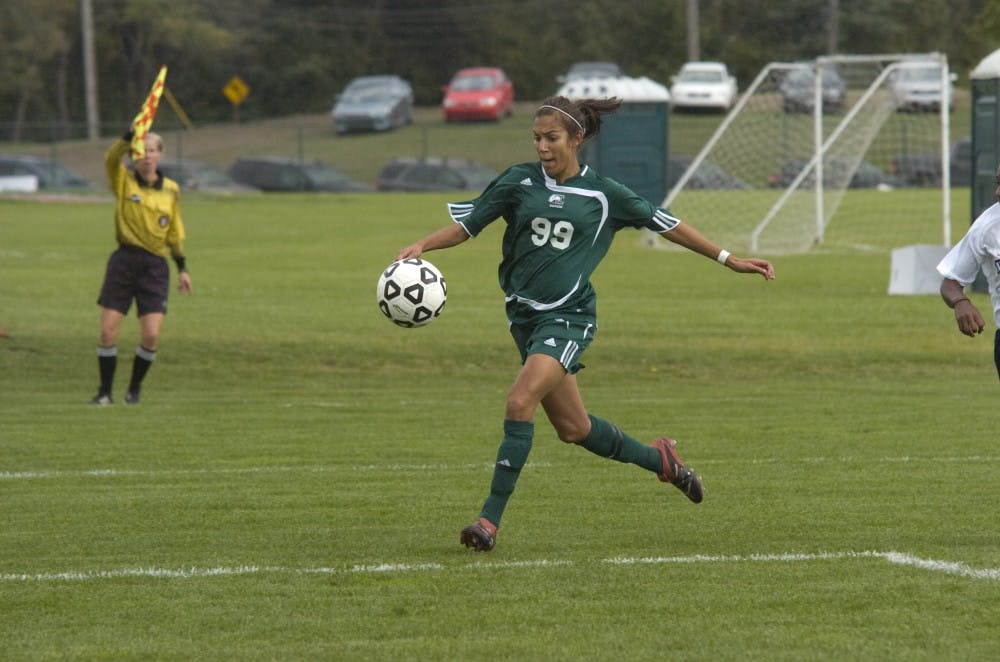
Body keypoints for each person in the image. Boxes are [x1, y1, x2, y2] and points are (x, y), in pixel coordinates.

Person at [395, 96, 775, 552]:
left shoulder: (605, 194)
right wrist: (423, 244)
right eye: (536, 137)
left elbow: (667, 223)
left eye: (551, 138)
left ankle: (487, 522)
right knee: (574, 429)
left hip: (568, 317)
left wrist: (729, 259)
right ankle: (664, 460)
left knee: (520, 402)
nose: (542, 147)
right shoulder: (517, 181)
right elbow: (468, 226)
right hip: (523, 317)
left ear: (577, 138)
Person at [90, 130, 192, 405]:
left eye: (151, 151)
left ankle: (134, 390)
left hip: (155, 266)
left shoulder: (171, 189)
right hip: (124, 261)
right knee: (108, 331)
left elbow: (175, 229)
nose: (146, 156)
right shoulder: (123, 180)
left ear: (160, 154)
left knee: (151, 334)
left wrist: (182, 266)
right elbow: (111, 160)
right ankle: (105, 393)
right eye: (140, 151)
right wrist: (125, 140)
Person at [936, 162, 1000, 381]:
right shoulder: (987, 227)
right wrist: (960, 302)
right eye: (998, 183)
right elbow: (950, 282)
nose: (998, 192)